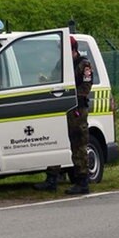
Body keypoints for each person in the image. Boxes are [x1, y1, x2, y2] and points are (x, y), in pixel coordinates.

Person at [35, 35, 93, 195]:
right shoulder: (62, 64)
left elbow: (86, 87)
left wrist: (70, 97)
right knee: (55, 141)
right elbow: (55, 81)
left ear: (72, 49)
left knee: (78, 144)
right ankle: (52, 178)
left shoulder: (84, 65)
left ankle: (82, 181)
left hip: (77, 111)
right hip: (61, 109)